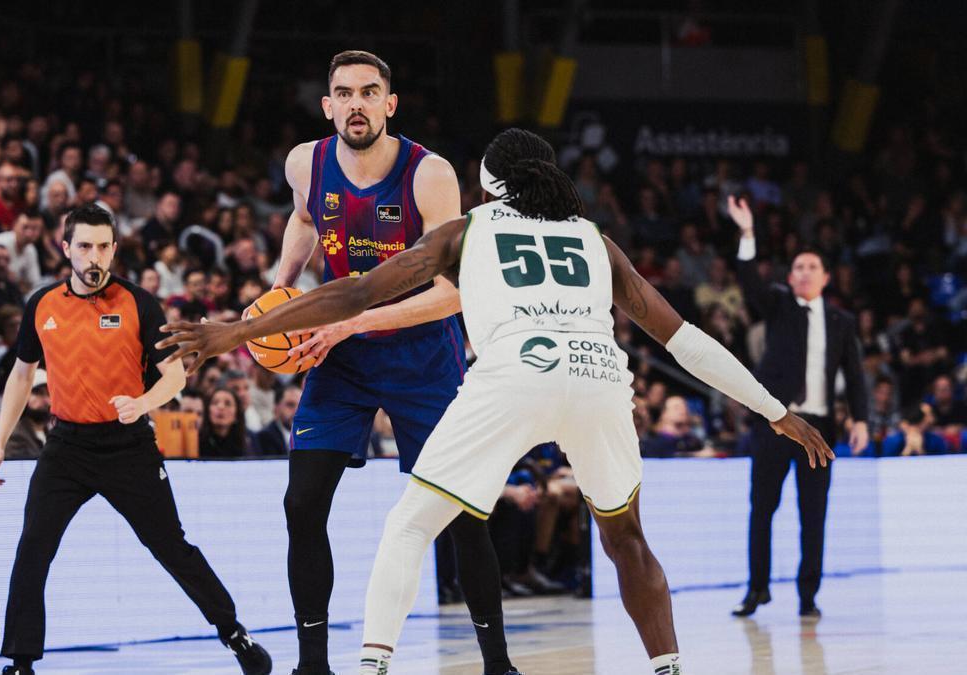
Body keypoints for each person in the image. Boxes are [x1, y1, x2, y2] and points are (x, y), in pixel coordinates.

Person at [159, 128, 833, 675]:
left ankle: (370, 667)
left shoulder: (467, 229)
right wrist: (776, 408)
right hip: (600, 379)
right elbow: (685, 339)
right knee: (627, 538)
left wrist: (238, 330)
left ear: (488, 183)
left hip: (514, 375)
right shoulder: (594, 239)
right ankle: (668, 668)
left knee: (411, 524)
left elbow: (359, 292)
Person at [251, 50, 515, 675]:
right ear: (328, 105)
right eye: (344, 93)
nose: (357, 104)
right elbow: (303, 218)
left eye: (370, 93)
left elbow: (454, 291)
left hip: (423, 353)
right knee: (302, 503)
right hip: (343, 356)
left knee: (463, 515)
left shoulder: (431, 175)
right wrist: (280, 289)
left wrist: (347, 322)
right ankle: (311, 664)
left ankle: (498, 665)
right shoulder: (304, 163)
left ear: (390, 104)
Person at [0, 204, 270, 675]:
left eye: (102, 246)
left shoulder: (139, 303)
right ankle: (20, 662)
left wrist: (143, 403)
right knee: (33, 546)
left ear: (114, 249)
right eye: (84, 246)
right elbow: (20, 375)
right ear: (65, 249)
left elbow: (174, 377)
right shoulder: (42, 304)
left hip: (128, 445)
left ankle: (235, 634)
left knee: (171, 547)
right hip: (66, 447)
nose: (94, 256)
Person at [729, 196, 869, 618]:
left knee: (814, 514)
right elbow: (749, 282)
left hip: (820, 427)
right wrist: (748, 233)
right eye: (799, 267)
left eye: (813, 266)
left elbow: (857, 374)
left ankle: (808, 595)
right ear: (789, 278)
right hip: (775, 423)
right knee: (762, 509)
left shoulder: (842, 322)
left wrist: (861, 418)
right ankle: (757, 590)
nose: (805, 272)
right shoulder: (779, 305)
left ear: (826, 277)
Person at [253, 384, 300, 457]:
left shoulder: (310, 435)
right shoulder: (264, 438)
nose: (297, 411)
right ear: (276, 408)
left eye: (300, 406)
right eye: (290, 405)